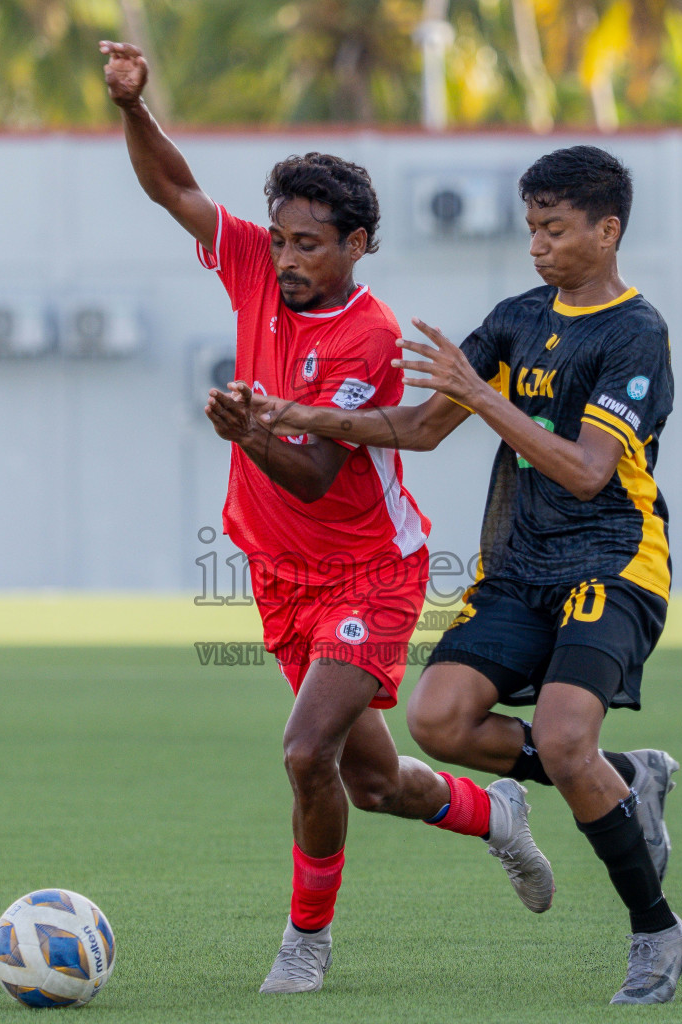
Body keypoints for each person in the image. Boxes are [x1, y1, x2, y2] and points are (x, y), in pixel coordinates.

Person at [100, 40, 554, 995]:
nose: (287, 259)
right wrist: (136, 108)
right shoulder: (258, 272)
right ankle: (495, 815)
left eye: (309, 244)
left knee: (306, 752)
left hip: (369, 572)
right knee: (373, 783)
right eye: (280, 239)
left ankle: (306, 942)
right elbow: (173, 189)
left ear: (358, 245)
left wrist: (243, 429)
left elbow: (310, 473)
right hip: (277, 574)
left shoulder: (371, 335)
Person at [248, 146, 682, 1004]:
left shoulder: (636, 333)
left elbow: (587, 471)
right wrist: (289, 414)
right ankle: (626, 778)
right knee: (439, 720)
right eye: (532, 227)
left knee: (567, 739)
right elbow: (419, 429)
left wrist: (485, 396)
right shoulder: (517, 316)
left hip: (611, 561)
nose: (538, 246)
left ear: (607, 233)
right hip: (519, 566)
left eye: (555, 229)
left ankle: (658, 932)